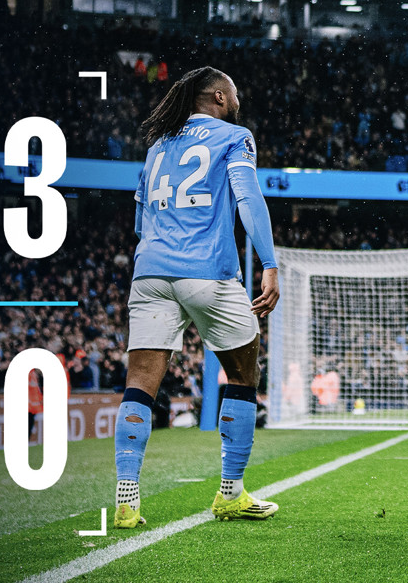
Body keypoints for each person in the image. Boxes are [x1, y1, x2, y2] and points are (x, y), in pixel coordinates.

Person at [114, 66, 281, 529]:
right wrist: (269, 263)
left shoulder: (156, 148)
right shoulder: (234, 136)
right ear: (221, 97)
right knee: (244, 373)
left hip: (149, 271)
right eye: (236, 94)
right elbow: (248, 199)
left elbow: (139, 221)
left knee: (139, 386)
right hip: (206, 271)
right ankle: (230, 492)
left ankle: (127, 501)